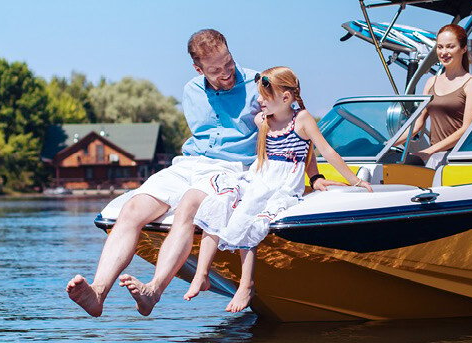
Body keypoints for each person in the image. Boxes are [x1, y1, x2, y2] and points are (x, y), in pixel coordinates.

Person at [66, 29, 260, 317]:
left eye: (228, 64)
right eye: (215, 70)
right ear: (198, 69)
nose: (226, 73)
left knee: (187, 207)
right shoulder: (192, 90)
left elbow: (293, 119)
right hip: (189, 163)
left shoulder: (259, 84)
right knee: (132, 208)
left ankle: (153, 290)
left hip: (230, 167)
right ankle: (98, 291)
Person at [147, 66, 371, 315]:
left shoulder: (303, 119)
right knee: (218, 204)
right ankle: (202, 273)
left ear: (286, 98)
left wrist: (353, 180)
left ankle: (246, 284)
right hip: (258, 176)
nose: (259, 101)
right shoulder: (263, 121)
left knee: (248, 217)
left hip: (283, 184)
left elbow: (321, 151)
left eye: (264, 97)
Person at [414, 24, 472, 168]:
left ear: (463, 49)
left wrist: (429, 151)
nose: (444, 52)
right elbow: (417, 124)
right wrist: (386, 146)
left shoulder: (471, 84)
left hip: (461, 159)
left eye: (450, 47)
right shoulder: (431, 82)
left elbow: (467, 129)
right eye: (440, 47)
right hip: (436, 158)